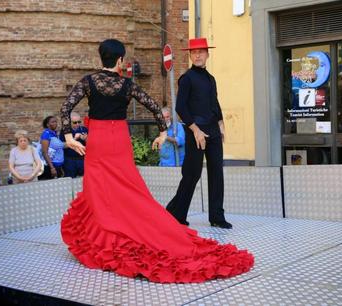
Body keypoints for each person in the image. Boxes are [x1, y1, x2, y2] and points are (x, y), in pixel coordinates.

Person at [60, 39, 253, 283]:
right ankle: (141, 223)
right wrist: (162, 133)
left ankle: (106, 231)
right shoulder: (127, 84)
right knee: (129, 187)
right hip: (119, 139)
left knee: (98, 188)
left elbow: (66, 107)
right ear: (120, 61)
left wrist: (69, 137)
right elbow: (153, 106)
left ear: (102, 58)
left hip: (97, 140)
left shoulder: (88, 82)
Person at [166, 38, 232, 229]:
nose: (197, 55)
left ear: (207, 54)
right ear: (190, 55)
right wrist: (195, 129)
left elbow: (214, 103)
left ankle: (217, 217)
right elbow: (180, 107)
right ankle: (175, 214)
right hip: (195, 131)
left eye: (201, 52)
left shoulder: (211, 78)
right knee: (191, 174)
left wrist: (221, 125)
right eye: (194, 52)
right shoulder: (187, 78)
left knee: (216, 173)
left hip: (213, 130)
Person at [59, 112, 88, 178]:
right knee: (70, 179)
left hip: (82, 159)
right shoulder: (65, 131)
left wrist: (86, 139)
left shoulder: (84, 129)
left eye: (79, 122)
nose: (77, 124)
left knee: (84, 179)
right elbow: (62, 146)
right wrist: (74, 139)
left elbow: (91, 144)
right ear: (70, 122)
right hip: (70, 160)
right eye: (75, 122)